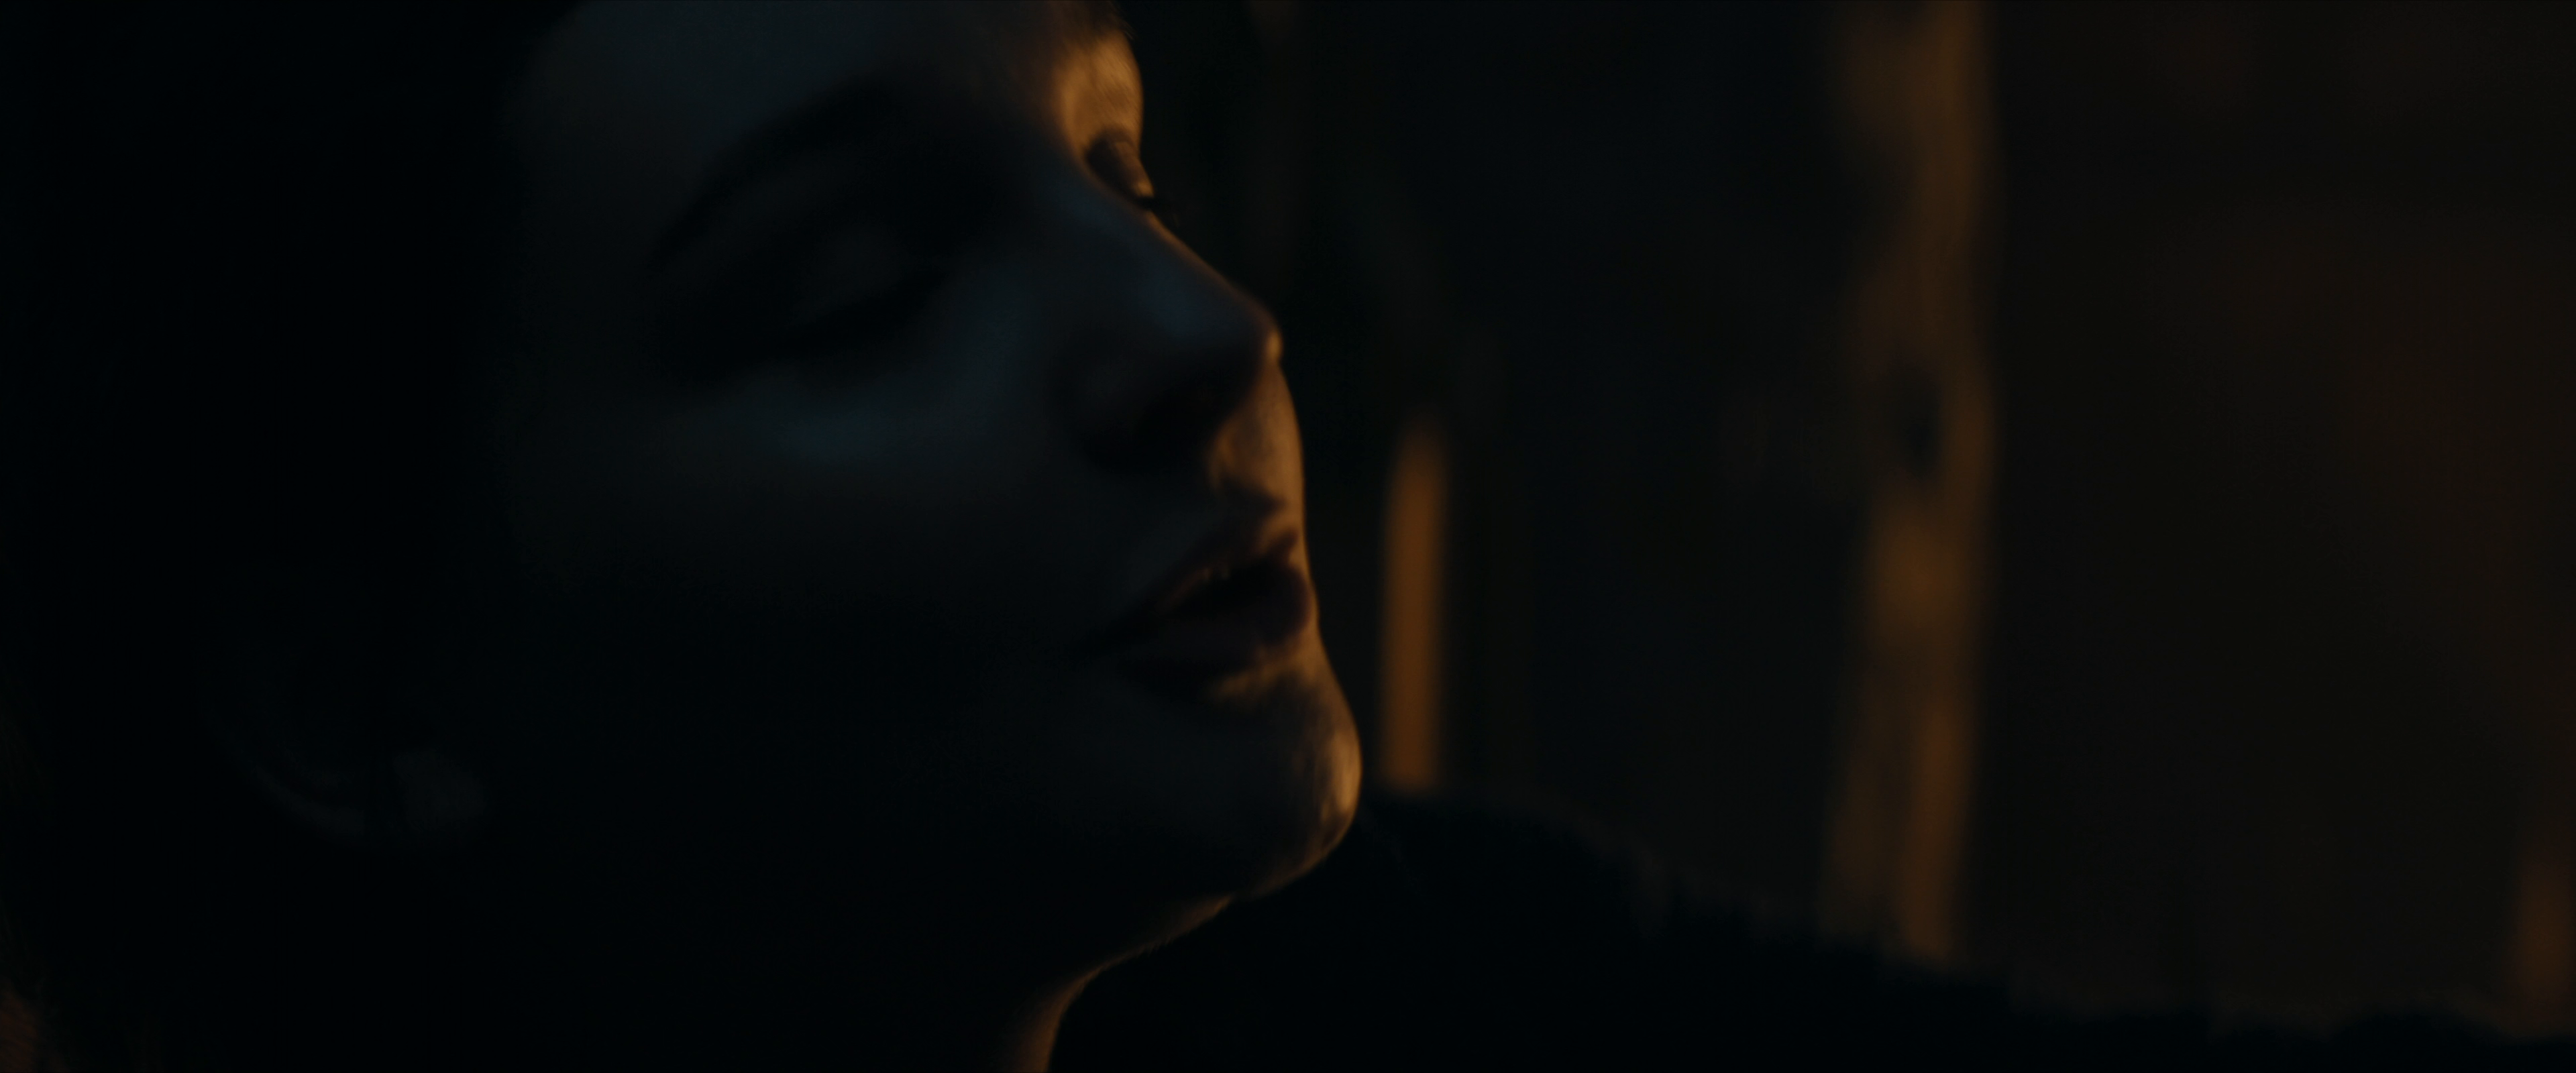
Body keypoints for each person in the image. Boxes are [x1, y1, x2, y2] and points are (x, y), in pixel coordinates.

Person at [0, 3, 2565, 1070]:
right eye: (864, 295)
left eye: (1120, 165)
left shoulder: (1354, 992)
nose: (1202, 328)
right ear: (352, 693)